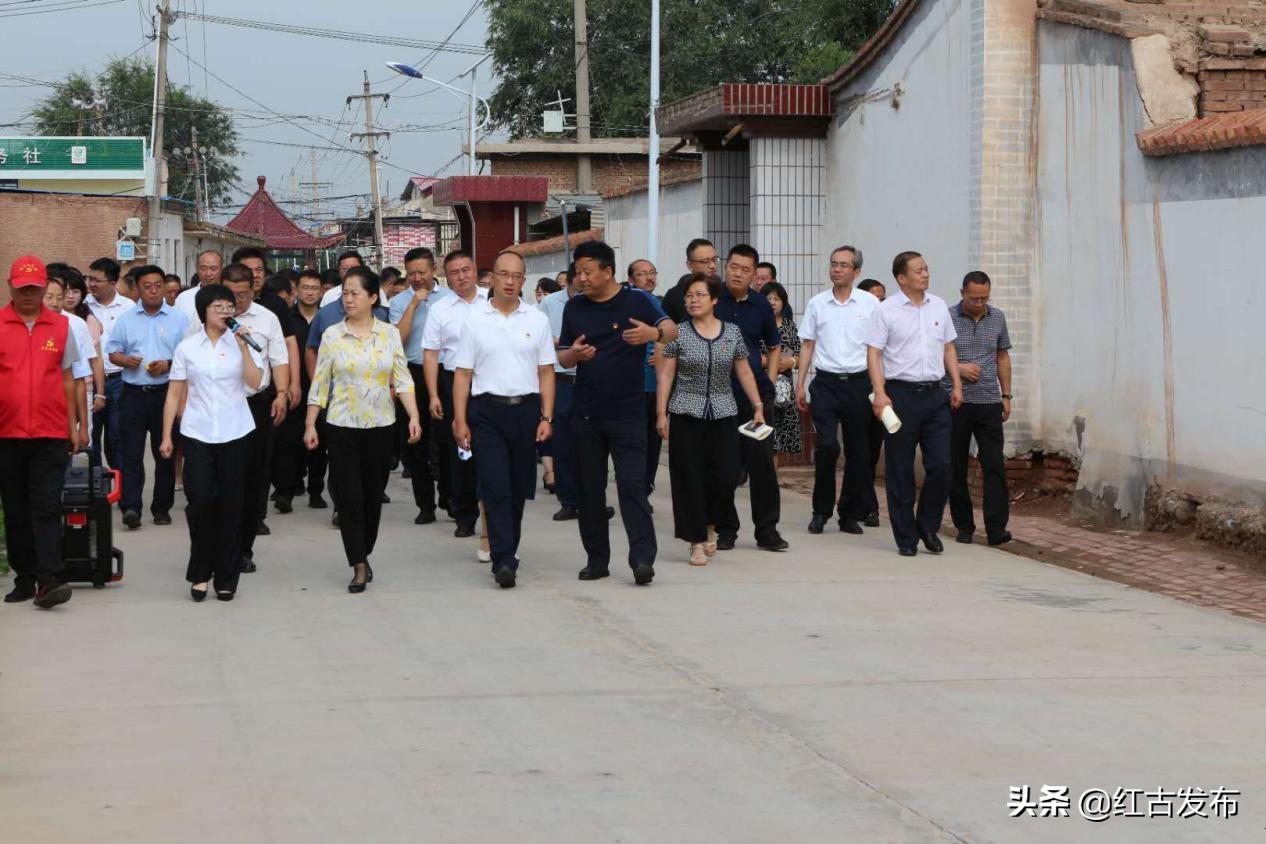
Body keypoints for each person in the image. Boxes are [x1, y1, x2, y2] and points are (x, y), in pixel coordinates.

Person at [557, 240, 677, 585]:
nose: (581, 278)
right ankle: (597, 559)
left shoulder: (636, 300)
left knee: (631, 486)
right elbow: (562, 355)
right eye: (578, 272)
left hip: (627, 411)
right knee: (590, 490)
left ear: (607, 271)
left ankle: (642, 558)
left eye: (587, 271)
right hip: (586, 412)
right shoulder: (574, 308)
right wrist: (574, 356)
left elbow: (672, 330)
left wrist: (651, 333)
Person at [306, 267, 420, 593]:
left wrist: (412, 415)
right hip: (341, 426)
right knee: (349, 498)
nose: (349, 298)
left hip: (381, 426)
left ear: (373, 297)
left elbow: (402, 379)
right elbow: (321, 383)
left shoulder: (389, 335)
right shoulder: (331, 335)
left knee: (371, 497)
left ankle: (364, 551)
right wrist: (311, 422)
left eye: (355, 293)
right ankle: (357, 563)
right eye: (345, 292)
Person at [451, 251, 556, 588]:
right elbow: (463, 375)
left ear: (523, 280)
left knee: (517, 488)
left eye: (516, 276)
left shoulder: (537, 320)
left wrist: (547, 416)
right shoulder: (475, 320)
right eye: (503, 275)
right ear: (491, 278)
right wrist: (459, 419)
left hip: (526, 411)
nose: (510, 281)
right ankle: (503, 559)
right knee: (495, 485)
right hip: (486, 412)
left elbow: (546, 372)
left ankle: (508, 548)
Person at [159, 284, 262, 602]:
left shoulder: (239, 341)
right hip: (198, 432)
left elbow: (255, 382)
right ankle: (201, 571)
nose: (225, 312)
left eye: (229, 307)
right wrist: (166, 436)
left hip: (236, 431)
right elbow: (175, 392)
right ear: (203, 311)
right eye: (218, 307)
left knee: (232, 505)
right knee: (202, 502)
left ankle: (226, 576)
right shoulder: (188, 348)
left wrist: (243, 345)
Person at [657, 274, 764, 566]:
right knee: (689, 477)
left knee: (727, 475)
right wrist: (661, 412)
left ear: (714, 300)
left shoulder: (732, 332)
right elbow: (666, 374)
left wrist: (757, 405)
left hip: (724, 411)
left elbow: (743, 370)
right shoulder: (678, 332)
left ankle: (711, 525)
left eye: (700, 295)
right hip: (685, 412)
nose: (693, 300)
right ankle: (695, 541)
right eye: (689, 295)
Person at [866, 251, 963, 556]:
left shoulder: (938, 306)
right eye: (918, 270)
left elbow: (948, 347)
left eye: (926, 269)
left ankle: (928, 525)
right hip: (900, 395)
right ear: (901, 278)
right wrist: (879, 393)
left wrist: (956, 383)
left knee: (942, 466)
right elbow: (874, 353)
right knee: (900, 469)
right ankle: (906, 537)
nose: (925, 274)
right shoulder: (887, 310)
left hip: (935, 395)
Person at [0, 255, 82, 609]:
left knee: (47, 507)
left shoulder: (61, 327)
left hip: (50, 432)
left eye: (35, 288)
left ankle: (49, 581)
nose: (29, 294)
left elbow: (68, 377)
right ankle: (25, 577)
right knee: (16, 510)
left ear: (45, 287)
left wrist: (75, 426)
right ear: (10, 287)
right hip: (6, 434)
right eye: (22, 289)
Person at [796, 246, 882, 535]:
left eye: (844, 265)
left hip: (859, 383)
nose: (837, 269)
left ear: (856, 272)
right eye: (833, 264)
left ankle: (849, 514)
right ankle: (821, 511)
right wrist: (801, 383)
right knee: (827, 446)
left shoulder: (870, 303)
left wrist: (880, 388)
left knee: (858, 453)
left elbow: (877, 348)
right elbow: (807, 344)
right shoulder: (818, 303)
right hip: (826, 383)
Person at [713, 244, 788, 553]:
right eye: (733, 267)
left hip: (755, 398)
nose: (738, 273)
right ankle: (726, 529)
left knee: (762, 465)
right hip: (718, 394)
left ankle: (767, 530)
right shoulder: (712, 299)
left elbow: (774, 346)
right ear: (725, 266)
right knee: (723, 466)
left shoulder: (760, 306)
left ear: (754, 274)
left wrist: (767, 384)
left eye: (745, 269)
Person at [105, 265, 189, 529]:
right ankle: (131, 507)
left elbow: (189, 356)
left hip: (166, 394)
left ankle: (161, 507)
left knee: (166, 451)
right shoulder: (127, 319)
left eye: (157, 285)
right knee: (130, 452)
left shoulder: (179, 319)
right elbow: (112, 352)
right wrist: (125, 360)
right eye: (146, 286)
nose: (153, 290)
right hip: (133, 393)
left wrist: (168, 363)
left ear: (164, 287)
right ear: (137, 289)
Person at [220, 263, 289, 572]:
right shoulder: (208, 319)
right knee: (222, 480)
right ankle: (218, 545)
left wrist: (283, 393)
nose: (237, 302)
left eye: (244, 295)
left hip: (257, 405)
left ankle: (244, 547)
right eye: (231, 295)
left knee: (254, 474)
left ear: (254, 289)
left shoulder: (267, 318)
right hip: (220, 407)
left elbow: (279, 359)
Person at [232, 246, 301, 536]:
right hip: (224, 402)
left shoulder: (271, 310)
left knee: (260, 461)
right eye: (249, 271)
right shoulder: (207, 311)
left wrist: (285, 389)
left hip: (260, 397)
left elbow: (283, 351)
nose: (255, 276)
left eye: (259, 270)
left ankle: (255, 515)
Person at [422, 250, 488, 540]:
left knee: (489, 448)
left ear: (474, 270)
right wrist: (434, 394)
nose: (461, 276)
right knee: (460, 448)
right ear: (445, 277)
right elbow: (431, 353)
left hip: (489, 381)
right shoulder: (440, 309)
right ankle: (464, 514)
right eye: (454, 272)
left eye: (466, 270)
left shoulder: (494, 300)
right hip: (452, 382)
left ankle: (491, 508)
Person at [945, 270, 1013, 546]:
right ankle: (964, 525)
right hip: (955, 401)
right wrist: (958, 369)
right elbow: (932, 354)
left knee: (994, 464)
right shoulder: (946, 317)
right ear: (962, 293)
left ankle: (996, 528)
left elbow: (1002, 356)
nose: (979, 303)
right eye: (974, 298)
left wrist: (1006, 394)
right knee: (955, 465)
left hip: (988, 402)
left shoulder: (997, 317)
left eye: (984, 298)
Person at [389, 247, 450, 525]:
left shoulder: (450, 299)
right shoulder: (400, 301)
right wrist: (414, 303)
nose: (416, 278)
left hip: (444, 373)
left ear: (433, 271)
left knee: (447, 437)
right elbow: (397, 341)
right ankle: (425, 505)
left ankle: (450, 496)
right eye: (411, 273)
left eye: (421, 273)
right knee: (415, 441)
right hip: (411, 374)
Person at [272, 269, 323, 513]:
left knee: (318, 444)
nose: (310, 292)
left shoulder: (328, 319)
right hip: (293, 388)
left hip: (321, 390)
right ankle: (285, 491)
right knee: (287, 442)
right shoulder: (286, 319)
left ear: (321, 292)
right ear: (296, 291)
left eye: (315, 288)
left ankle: (316, 491)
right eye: (305, 287)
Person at [538, 264, 585, 521]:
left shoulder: (597, 302)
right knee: (563, 442)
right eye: (581, 273)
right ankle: (568, 500)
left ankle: (592, 500)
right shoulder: (549, 304)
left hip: (590, 381)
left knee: (590, 444)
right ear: (571, 278)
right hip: (561, 379)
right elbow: (537, 337)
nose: (585, 278)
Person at [47, 265, 105, 438]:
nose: (55, 302)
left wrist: (83, 427)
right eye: (49, 296)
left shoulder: (75, 324)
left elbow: (82, 372)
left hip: (74, 393)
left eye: (58, 296)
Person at [86, 256, 130, 468]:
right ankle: (96, 493)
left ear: (113, 283)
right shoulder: (83, 305)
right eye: (89, 279)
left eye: (97, 280)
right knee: (91, 438)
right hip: (89, 381)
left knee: (117, 438)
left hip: (119, 380)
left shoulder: (128, 308)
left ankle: (121, 490)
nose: (91, 284)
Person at [626, 259, 664, 499]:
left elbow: (671, 335)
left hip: (654, 384)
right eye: (642, 274)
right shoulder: (634, 299)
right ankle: (639, 487)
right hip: (634, 385)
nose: (649, 278)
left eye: (652, 273)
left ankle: (643, 486)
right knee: (640, 442)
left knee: (650, 441)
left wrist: (663, 353)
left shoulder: (657, 302)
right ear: (631, 280)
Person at [761, 281, 802, 462]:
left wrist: (791, 361)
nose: (772, 302)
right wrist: (769, 362)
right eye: (768, 298)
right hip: (759, 383)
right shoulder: (757, 324)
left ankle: (771, 481)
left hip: (783, 389)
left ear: (783, 303)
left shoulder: (790, 326)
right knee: (759, 434)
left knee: (777, 441)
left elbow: (800, 356)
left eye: (776, 299)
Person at [662, 238, 718, 323]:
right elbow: (667, 330)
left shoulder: (724, 291)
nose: (712, 266)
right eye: (705, 261)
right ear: (689, 265)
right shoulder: (674, 296)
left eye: (714, 260)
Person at [173, 250, 223, 322]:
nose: (208, 273)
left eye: (213, 269)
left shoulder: (230, 296)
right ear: (197, 269)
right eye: (203, 268)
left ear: (221, 269)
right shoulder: (184, 298)